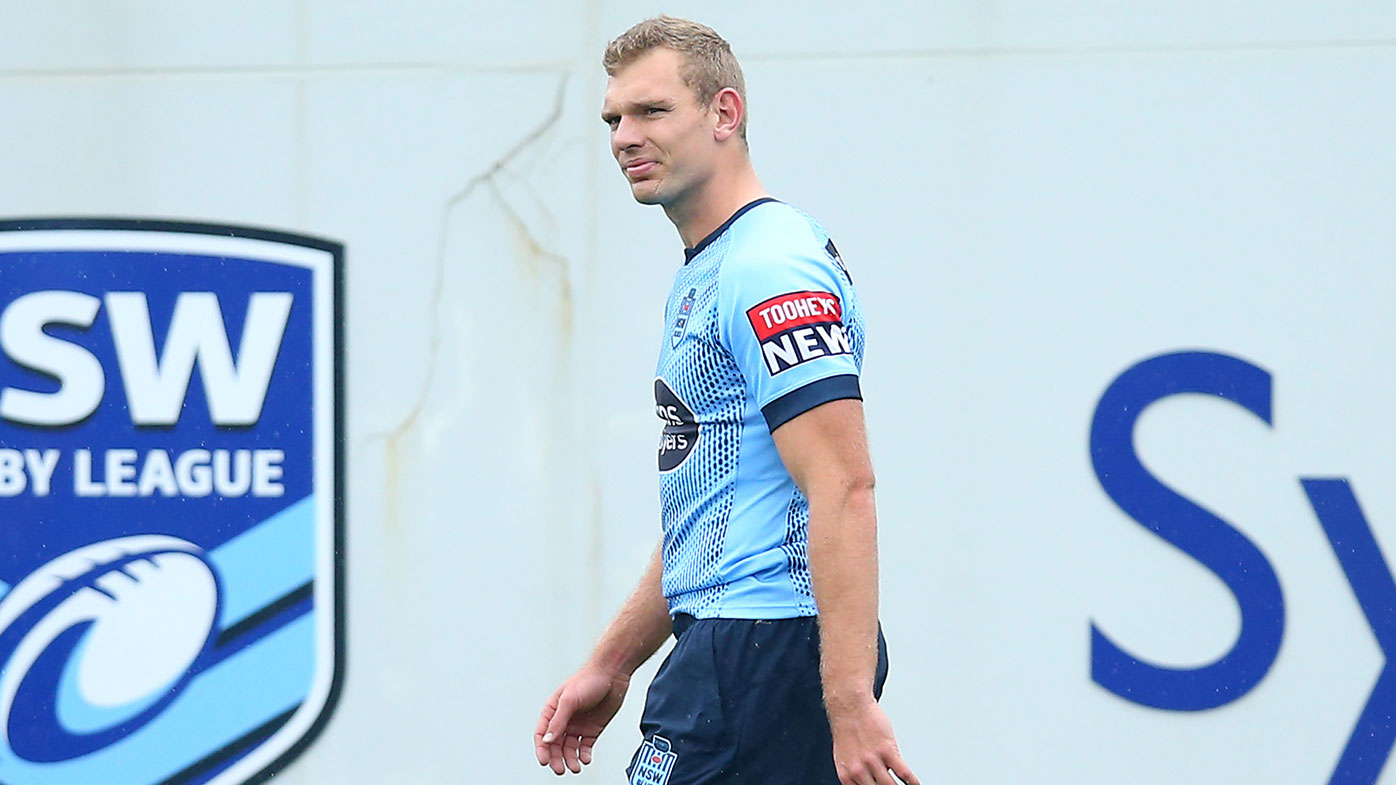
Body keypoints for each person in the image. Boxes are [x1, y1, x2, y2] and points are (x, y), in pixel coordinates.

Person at [533, 16, 919, 785]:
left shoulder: (770, 266)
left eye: (651, 111)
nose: (624, 137)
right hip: (730, 642)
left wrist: (844, 699)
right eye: (614, 118)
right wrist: (613, 664)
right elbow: (713, 509)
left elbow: (843, 485)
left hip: (764, 647)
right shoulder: (717, 263)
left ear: (725, 114)